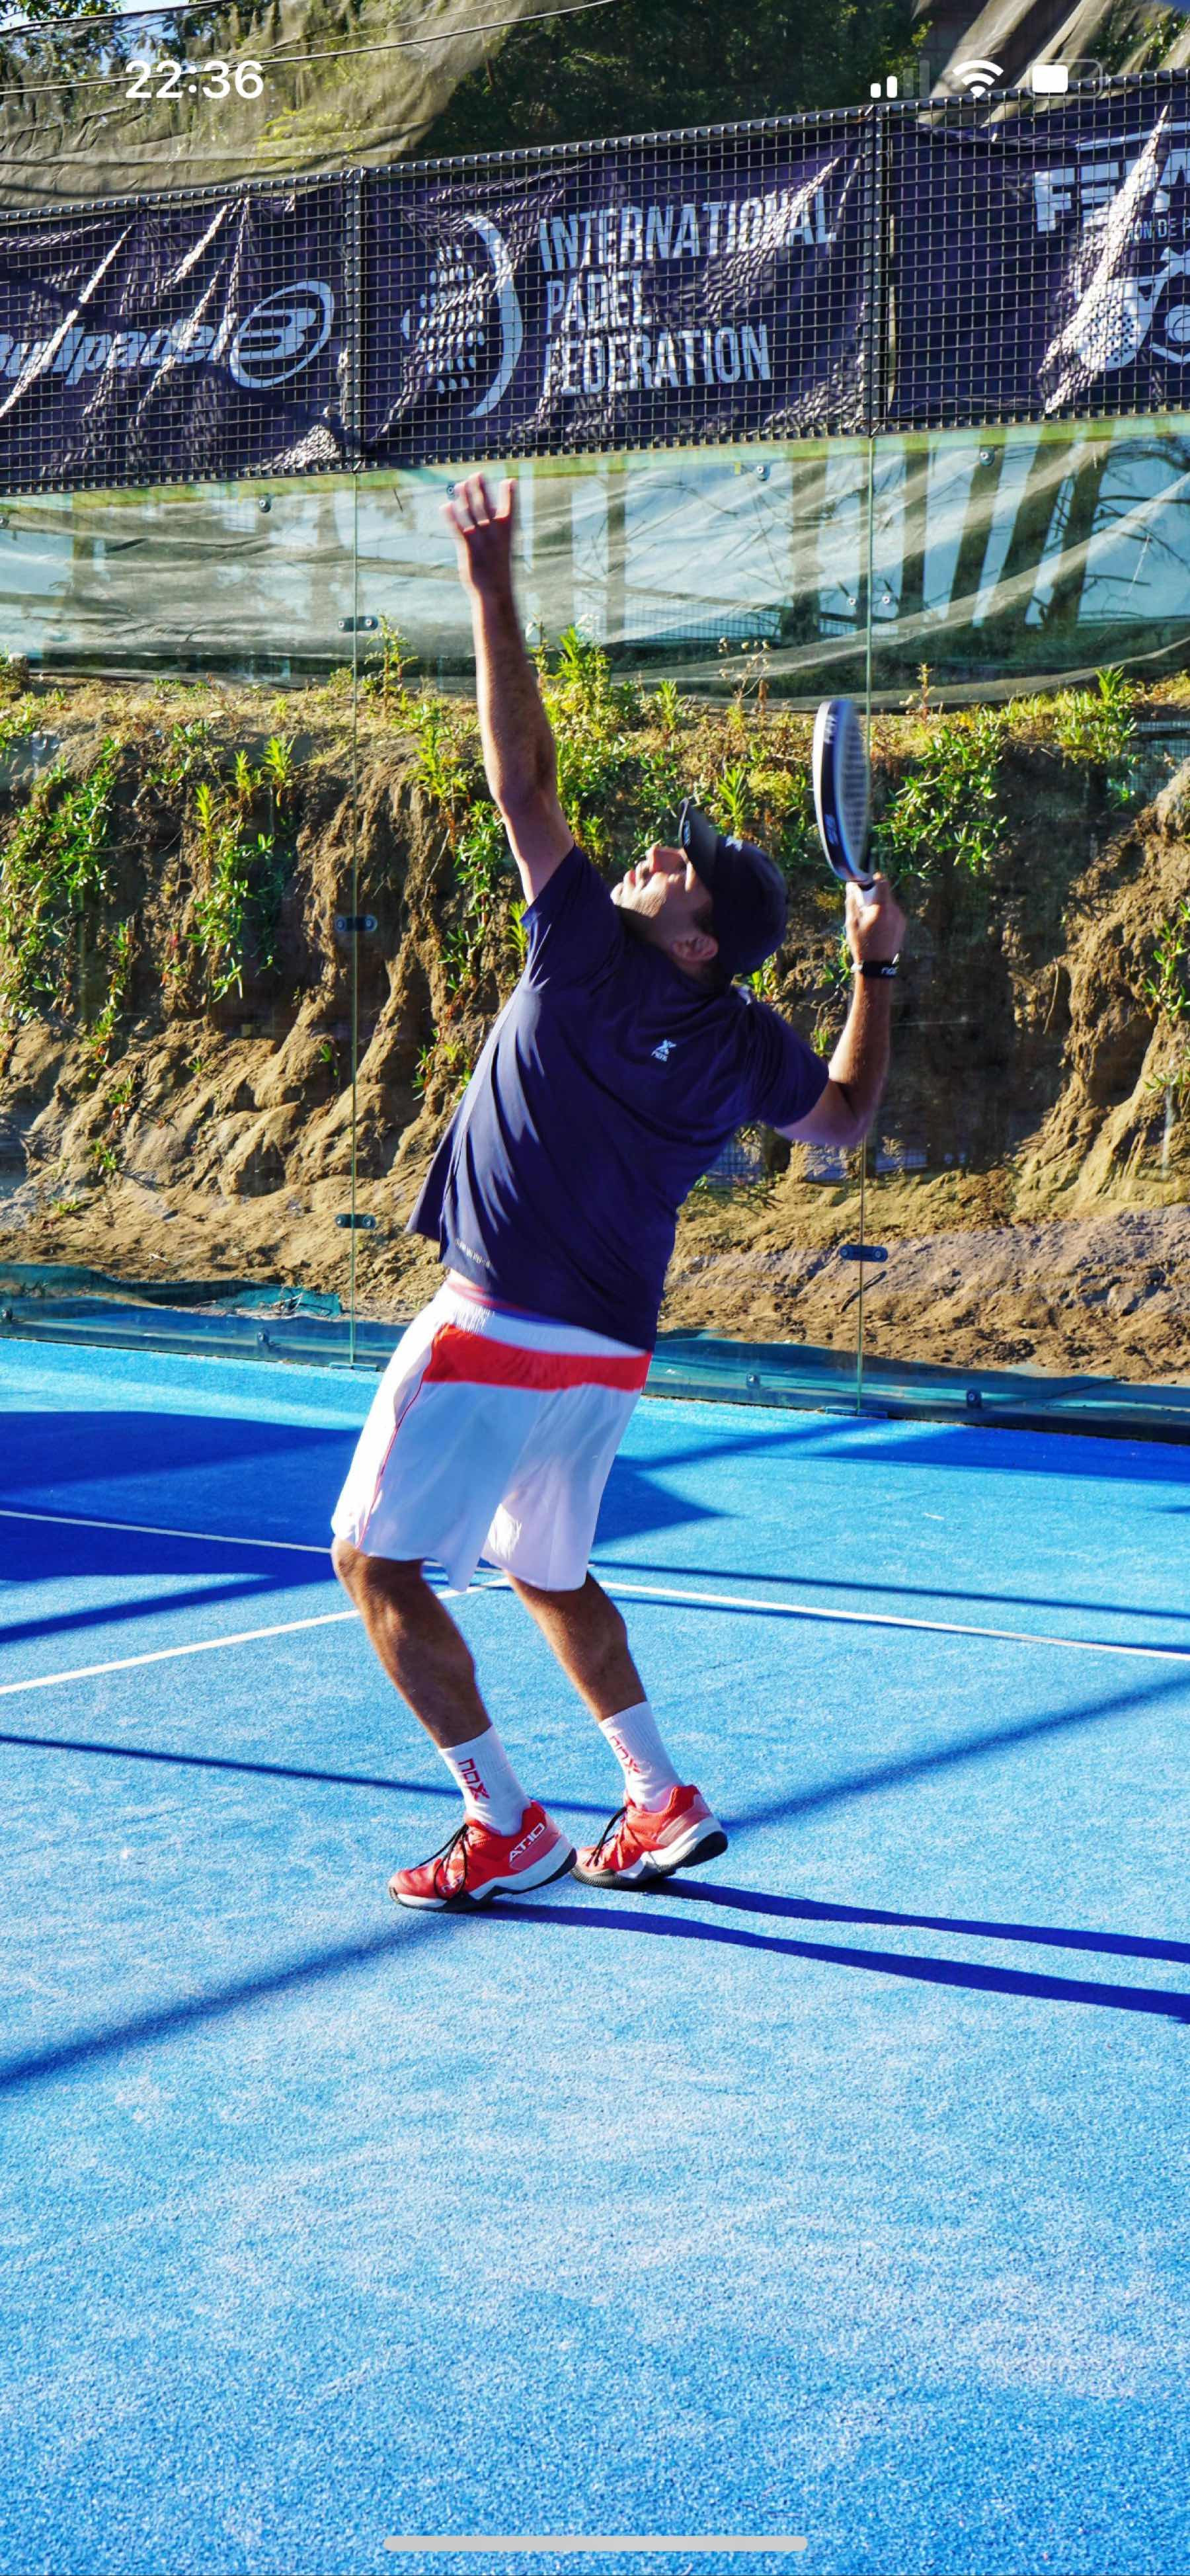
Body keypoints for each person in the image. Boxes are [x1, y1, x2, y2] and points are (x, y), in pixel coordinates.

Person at [331, 472, 906, 1913]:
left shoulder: (589, 948)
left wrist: (489, 583)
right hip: (607, 1360)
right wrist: (877, 969)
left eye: (680, 871)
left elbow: (522, 784)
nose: (655, 856)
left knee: (372, 1567)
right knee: (547, 1571)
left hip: (492, 1327)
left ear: (699, 942)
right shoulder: (748, 1043)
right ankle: (656, 1799)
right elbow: (843, 1123)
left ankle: (504, 1825)